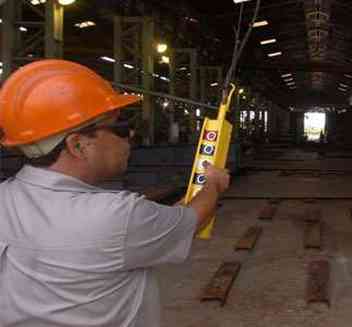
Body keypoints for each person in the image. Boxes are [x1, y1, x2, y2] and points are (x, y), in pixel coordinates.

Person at [0, 60, 230, 326]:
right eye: (119, 128)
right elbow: (190, 221)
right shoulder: (117, 216)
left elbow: (167, 221)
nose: (130, 134)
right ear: (78, 145)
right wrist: (213, 183)